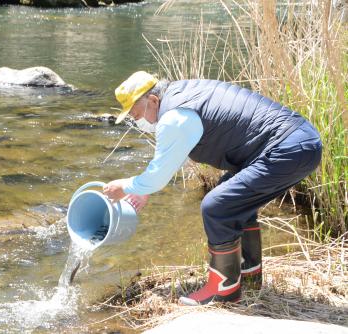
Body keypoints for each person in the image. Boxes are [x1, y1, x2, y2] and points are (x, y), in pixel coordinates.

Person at [102, 71, 322, 305]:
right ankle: (249, 276)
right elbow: (171, 157)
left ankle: (224, 291)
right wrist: (143, 189)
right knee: (231, 197)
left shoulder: (174, 116)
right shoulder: (184, 93)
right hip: (299, 141)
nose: (139, 122)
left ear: (153, 100)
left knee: (216, 206)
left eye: (137, 114)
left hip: (286, 148)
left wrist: (125, 186)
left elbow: (159, 175)